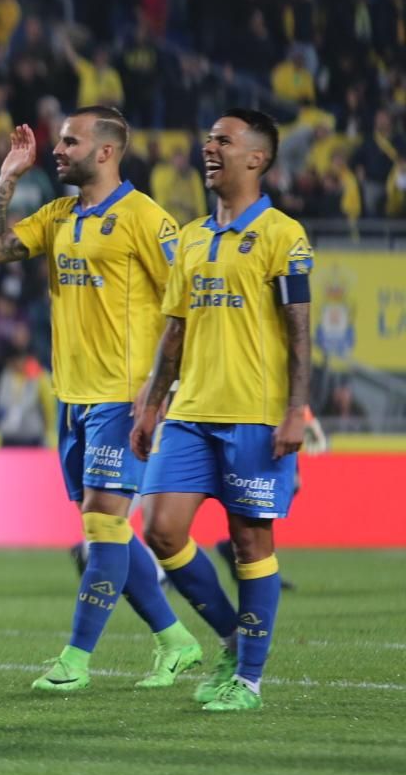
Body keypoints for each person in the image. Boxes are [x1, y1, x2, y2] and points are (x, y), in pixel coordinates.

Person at [0, 109, 203, 694]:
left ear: (105, 152)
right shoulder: (58, 216)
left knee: (102, 528)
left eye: (70, 141)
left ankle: (75, 660)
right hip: (71, 401)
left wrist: (167, 391)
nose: (57, 148)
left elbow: (189, 310)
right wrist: (7, 177)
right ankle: (176, 640)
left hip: (124, 401)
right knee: (111, 534)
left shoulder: (147, 220)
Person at [131, 109, 313, 713]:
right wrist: (152, 404)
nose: (209, 148)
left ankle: (249, 679)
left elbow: (299, 332)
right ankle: (236, 637)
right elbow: (173, 332)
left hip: (255, 415)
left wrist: (296, 410)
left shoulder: (284, 235)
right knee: (160, 528)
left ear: (256, 159)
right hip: (191, 411)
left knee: (249, 541)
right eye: (208, 139)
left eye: (224, 141)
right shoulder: (190, 237)